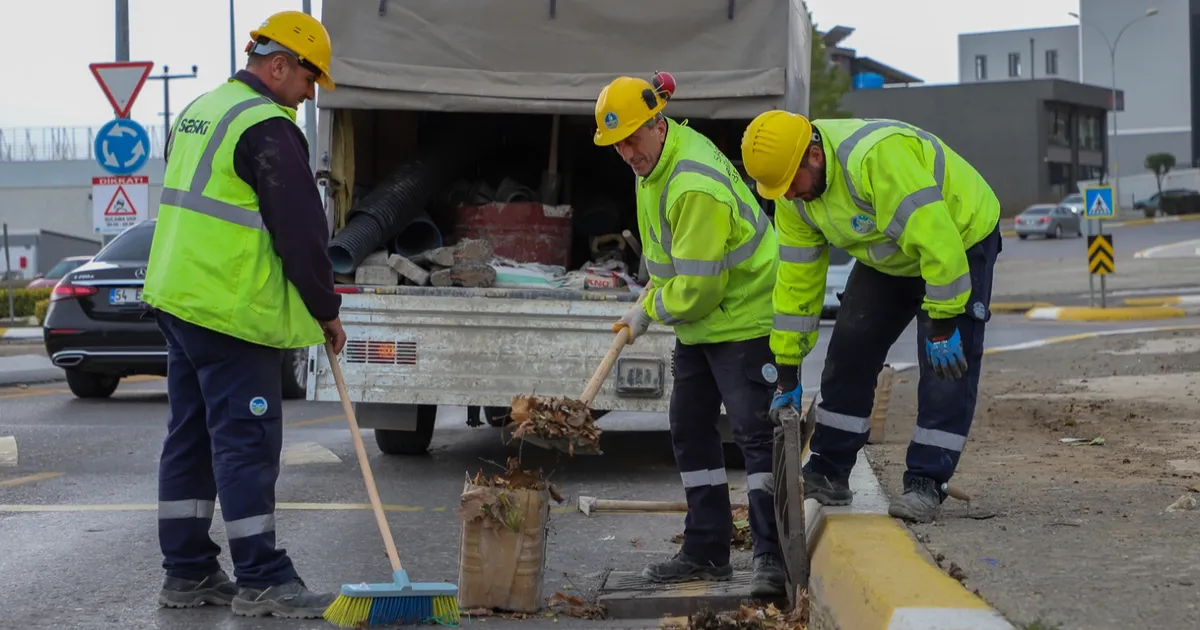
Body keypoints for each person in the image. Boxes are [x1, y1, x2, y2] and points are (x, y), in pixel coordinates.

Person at [141, 10, 347, 619]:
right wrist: (325, 310)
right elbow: (302, 234)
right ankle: (261, 576)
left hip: (181, 301)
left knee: (192, 439)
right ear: (278, 64)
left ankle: (188, 573)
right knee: (246, 442)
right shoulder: (267, 127)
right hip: (229, 311)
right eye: (309, 78)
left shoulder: (201, 110)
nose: (310, 93)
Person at [739, 111, 1002, 524]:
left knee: (945, 366)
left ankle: (926, 482)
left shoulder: (875, 160)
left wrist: (945, 322)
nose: (787, 195)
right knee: (850, 347)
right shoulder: (792, 197)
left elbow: (938, 240)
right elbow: (796, 285)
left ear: (813, 155)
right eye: (777, 190)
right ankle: (830, 468)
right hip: (890, 252)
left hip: (959, 236)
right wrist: (786, 371)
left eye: (790, 184)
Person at [593, 74, 787, 598]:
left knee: (753, 433)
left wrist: (649, 309)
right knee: (689, 425)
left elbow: (698, 288)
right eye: (617, 146)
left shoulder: (692, 183)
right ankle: (706, 551)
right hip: (704, 324)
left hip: (745, 318)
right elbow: (670, 257)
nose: (627, 153)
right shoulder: (654, 164)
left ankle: (773, 558)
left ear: (658, 124)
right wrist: (646, 307)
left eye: (633, 139)